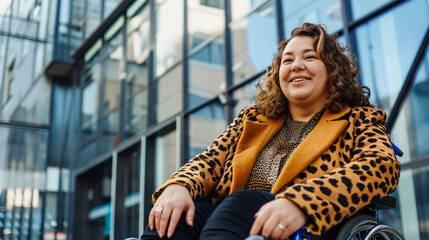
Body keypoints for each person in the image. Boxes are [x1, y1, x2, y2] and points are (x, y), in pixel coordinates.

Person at [140, 23, 400, 240]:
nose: (296, 65)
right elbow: (209, 161)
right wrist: (179, 185)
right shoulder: (252, 119)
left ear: (332, 70)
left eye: (310, 57)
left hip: (303, 225)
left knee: (239, 205)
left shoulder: (359, 120)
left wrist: (304, 202)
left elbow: (380, 167)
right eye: (288, 60)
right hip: (230, 217)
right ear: (279, 74)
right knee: (175, 220)